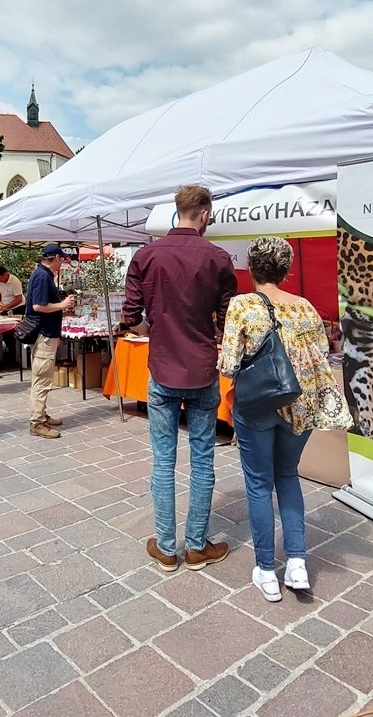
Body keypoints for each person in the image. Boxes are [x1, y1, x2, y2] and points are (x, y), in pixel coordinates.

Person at [219, 236, 349, 601]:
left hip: (258, 406)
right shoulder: (306, 307)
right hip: (301, 407)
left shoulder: (242, 305)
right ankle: (297, 564)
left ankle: (265, 570)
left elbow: (228, 366)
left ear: (252, 269)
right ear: (287, 271)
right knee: (288, 476)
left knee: (259, 484)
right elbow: (320, 353)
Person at [122, 184, 237, 572]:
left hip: (164, 368)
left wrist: (157, 331)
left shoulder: (146, 256)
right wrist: (210, 336)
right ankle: (197, 545)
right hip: (202, 369)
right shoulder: (218, 259)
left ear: (178, 212)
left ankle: (168, 547)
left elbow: (129, 315)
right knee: (203, 459)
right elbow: (227, 320)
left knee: (163, 460)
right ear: (204, 213)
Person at [27, 244, 76, 439]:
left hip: (47, 333)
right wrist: (62, 305)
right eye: (61, 259)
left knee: (43, 377)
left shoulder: (42, 274)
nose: (62, 263)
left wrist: (61, 308)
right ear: (55, 257)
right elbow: (38, 306)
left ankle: (41, 415)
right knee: (42, 379)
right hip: (44, 335)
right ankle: (37, 422)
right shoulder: (42, 276)